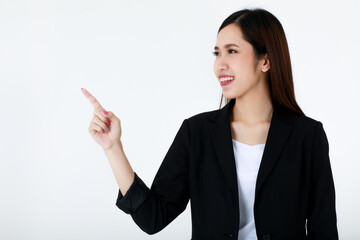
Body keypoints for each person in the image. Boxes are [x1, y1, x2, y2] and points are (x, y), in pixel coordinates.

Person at [81, 8, 338, 240]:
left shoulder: (308, 136)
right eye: (217, 53)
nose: (219, 65)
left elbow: (323, 230)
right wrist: (113, 148)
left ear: (266, 61)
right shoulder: (197, 133)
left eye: (232, 51)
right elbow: (152, 218)